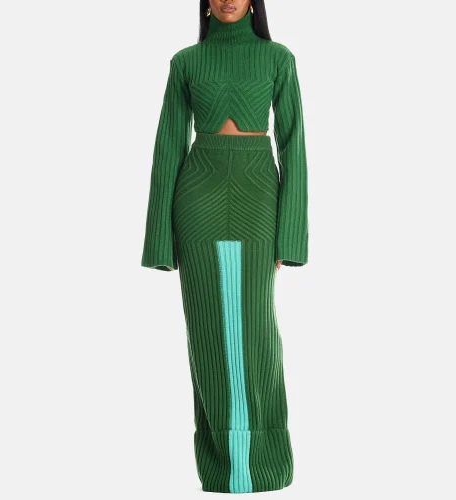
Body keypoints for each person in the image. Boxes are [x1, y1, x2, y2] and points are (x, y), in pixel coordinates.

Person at [141, 0, 308, 493]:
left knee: (257, 333)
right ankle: (220, 468)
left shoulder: (279, 58)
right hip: (197, 197)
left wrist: (291, 234)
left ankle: (266, 463)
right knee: (208, 334)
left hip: (259, 197)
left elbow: (294, 143)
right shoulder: (185, 62)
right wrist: (158, 240)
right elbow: (168, 145)